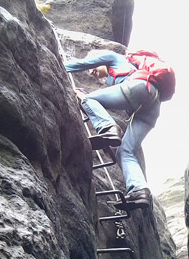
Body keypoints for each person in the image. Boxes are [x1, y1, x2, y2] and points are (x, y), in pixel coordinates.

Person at [65, 49, 161, 211]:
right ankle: (139, 191)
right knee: (125, 151)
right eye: (90, 72)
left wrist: (60, 64)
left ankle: (108, 128)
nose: (91, 71)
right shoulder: (113, 79)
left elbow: (81, 64)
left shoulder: (115, 57)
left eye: (94, 66)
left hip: (139, 88)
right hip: (152, 105)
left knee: (88, 100)